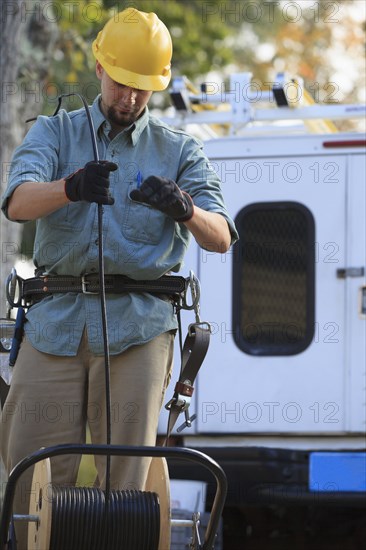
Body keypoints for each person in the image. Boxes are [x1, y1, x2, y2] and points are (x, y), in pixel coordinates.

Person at [0, 7, 238, 547]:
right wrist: (71, 187)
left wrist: (185, 210)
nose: (130, 98)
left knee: (124, 487)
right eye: (122, 83)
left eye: (142, 89)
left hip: (138, 329)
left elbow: (221, 236)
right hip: (53, 322)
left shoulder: (179, 149)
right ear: (100, 67)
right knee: (29, 478)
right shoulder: (53, 131)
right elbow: (15, 202)